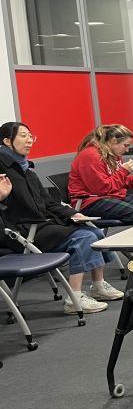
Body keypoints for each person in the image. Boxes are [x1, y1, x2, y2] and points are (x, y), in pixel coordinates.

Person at [0, 122, 123, 314]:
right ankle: (74, 299)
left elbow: (49, 203)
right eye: (23, 136)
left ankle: (98, 286)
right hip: (20, 231)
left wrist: (73, 214)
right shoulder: (3, 169)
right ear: (7, 141)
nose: (29, 140)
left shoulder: (26, 169)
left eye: (31, 136)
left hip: (40, 225)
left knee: (94, 231)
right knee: (84, 238)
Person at [69, 124, 133, 225]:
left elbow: (114, 182)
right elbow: (103, 188)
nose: (127, 150)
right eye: (126, 145)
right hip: (90, 202)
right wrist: (124, 171)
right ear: (114, 141)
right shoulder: (91, 156)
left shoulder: (113, 154)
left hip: (109, 196)